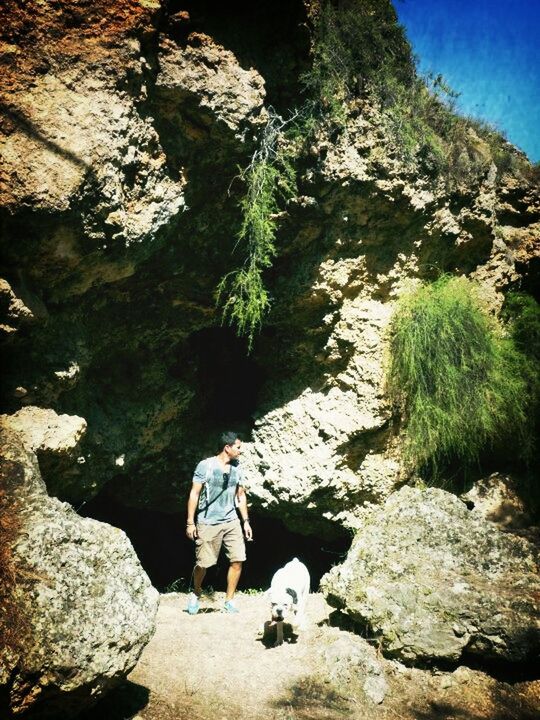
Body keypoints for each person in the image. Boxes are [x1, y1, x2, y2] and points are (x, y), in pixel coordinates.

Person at [185, 431, 253, 614]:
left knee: (238, 560)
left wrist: (245, 521)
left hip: (231, 520)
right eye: (238, 447)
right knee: (203, 564)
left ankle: (229, 600)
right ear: (227, 448)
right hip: (208, 521)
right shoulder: (205, 466)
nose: (240, 451)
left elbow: (240, 495)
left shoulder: (237, 468)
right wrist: (190, 523)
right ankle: (196, 593)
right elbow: (194, 494)